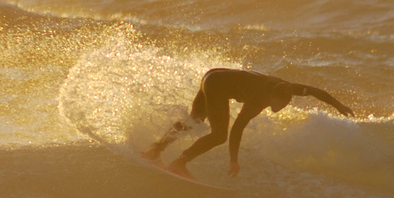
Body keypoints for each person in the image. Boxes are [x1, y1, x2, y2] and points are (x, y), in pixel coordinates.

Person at [144, 68, 353, 178]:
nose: (280, 107)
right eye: (279, 104)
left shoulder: (286, 87)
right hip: (217, 86)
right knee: (219, 136)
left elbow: (315, 92)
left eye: (286, 103)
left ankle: (155, 150)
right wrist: (234, 161)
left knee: (195, 120)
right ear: (272, 96)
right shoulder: (258, 99)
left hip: (213, 75)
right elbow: (237, 129)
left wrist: (339, 105)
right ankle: (180, 162)